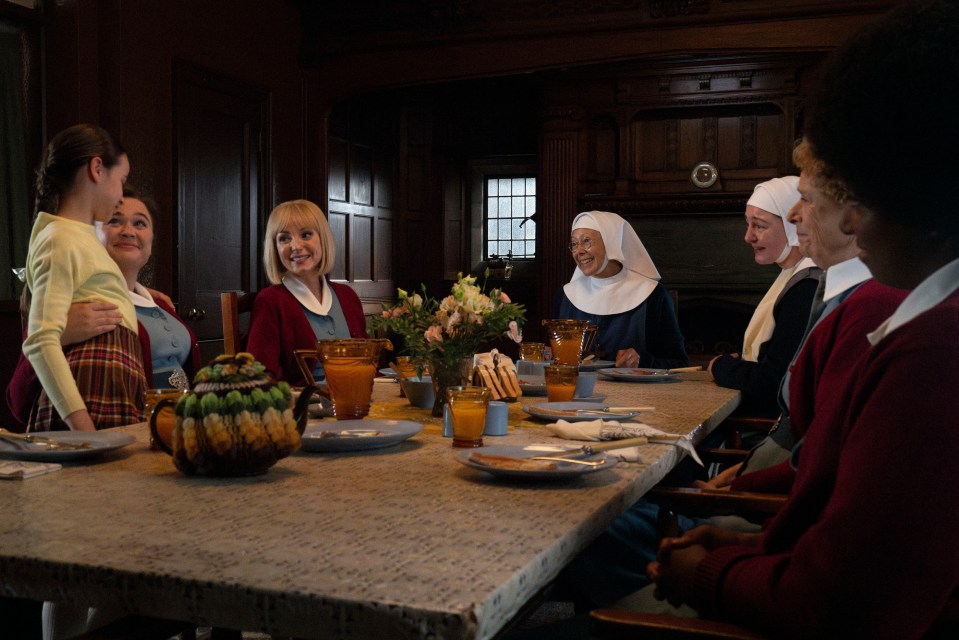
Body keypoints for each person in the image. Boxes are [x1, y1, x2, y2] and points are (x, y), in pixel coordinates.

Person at [648, 3, 959, 636]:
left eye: (857, 193)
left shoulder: (932, 349)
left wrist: (704, 575)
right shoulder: (921, 324)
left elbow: (840, 602)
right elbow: (842, 525)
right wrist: (751, 548)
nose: (844, 222)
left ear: (917, 185)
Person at [6, 186, 202, 429]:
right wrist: (59, 337)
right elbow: (17, 401)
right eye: (114, 221)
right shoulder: (73, 303)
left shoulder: (160, 303)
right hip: (129, 429)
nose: (129, 231)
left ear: (152, 240)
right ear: (90, 235)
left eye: (140, 224)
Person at [21, 124, 145, 432]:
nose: (120, 196)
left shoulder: (78, 238)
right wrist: (82, 426)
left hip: (106, 384)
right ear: (97, 168)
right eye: (122, 180)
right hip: (88, 391)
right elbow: (40, 341)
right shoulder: (60, 238)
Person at [708, 177, 820, 419]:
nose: (748, 237)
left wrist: (722, 367)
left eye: (759, 225)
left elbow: (774, 380)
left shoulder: (806, 285)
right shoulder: (792, 275)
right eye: (748, 224)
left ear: (793, 225)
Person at [246, 199, 367, 385]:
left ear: (322, 238)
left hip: (357, 403)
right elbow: (259, 378)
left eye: (306, 234)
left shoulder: (347, 296)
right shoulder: (270, 301)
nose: (295, 246)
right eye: (284, 238)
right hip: (303, 410)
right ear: (275, 248)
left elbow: (368, 363)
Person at [554, 210, 687, 369]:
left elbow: (679, 364)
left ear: (612, 242)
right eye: (574, 244)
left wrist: (642, 361)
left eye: (586, 241)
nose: (579, 251)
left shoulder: (652, 295)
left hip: (638, 393)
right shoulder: (566, 297)